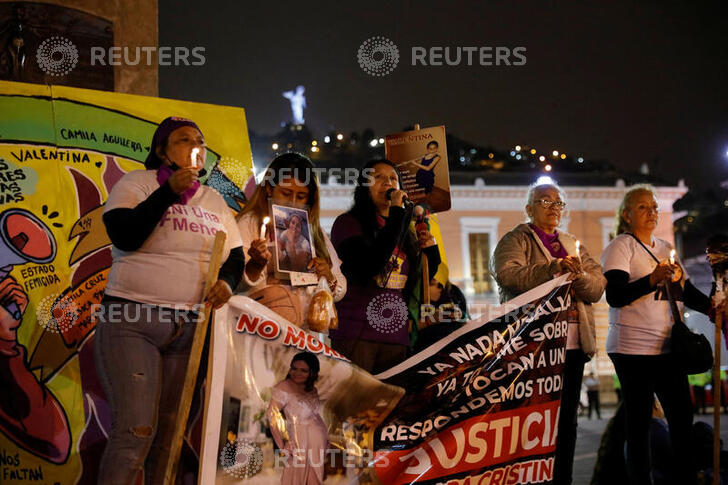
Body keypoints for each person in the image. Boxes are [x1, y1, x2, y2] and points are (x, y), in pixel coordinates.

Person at [96, 116, 244, 485]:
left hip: (190, 330)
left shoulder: (215, 200)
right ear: (162, 151)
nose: (196, 144)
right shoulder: (136, 183)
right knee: (135, 433)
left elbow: (235, 257)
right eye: (184, 139)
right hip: (133, 321)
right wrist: (168, 192)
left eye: (200, 139)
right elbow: (124, 235)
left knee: (171, 437)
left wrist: (226, 283)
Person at [492, 181, 605, 485]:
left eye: (559, 202)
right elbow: (507, 275)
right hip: (534, 349)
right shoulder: (516, 239)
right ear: (529, 209)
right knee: (533, 422)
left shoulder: (572, 242)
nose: (554, 207)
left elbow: (597, 286)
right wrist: (553, 269)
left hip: (572, 347)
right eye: (545, 201)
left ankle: (562, 480)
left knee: (567, 422)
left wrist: (576, 274)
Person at [601, 184, 711, 485]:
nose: (651, 212)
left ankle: (685, 479)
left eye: (653, 207)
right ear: (626, 215)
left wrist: (715, 308)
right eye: (642, 207)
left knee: (681, 417)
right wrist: (652, 279)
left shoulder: (664, 248)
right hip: (632, 349)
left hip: (668, 348)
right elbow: (616, 295)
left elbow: (686, 293)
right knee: (639, 425)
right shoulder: (620, 246)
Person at [329, 159, 441, 374]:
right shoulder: (348, 224)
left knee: (391, 404)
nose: (387, 182)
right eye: (377, 177)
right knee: (358, 403)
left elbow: (419, 281)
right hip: (357, 334)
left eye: (392, 178)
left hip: (396, 336)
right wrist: (398, 215)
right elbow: (369, 266)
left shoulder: (404, 230)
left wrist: (430, 251)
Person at [237, 153, 346, 328]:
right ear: (269, 189)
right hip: (262, 328)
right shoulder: (250, 223)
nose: (293, 202)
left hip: (307, 332)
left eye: (301, 196)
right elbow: (233, 282)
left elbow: (340, 287)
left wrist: (329, 277)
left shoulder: (313, 230)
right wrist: (256, 265)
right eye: (286, 193)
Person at [267, 352, 328, 485]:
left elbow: (315, 416)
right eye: (294, 368)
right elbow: (272, 415)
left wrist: (326, 438)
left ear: (312, 373)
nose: (297, 373)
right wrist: (283, 443)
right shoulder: (284, 387)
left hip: (317, 441)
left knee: (315, 479)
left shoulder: (313, 390)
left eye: (303, 370)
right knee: (299, 479)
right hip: (298, 440)